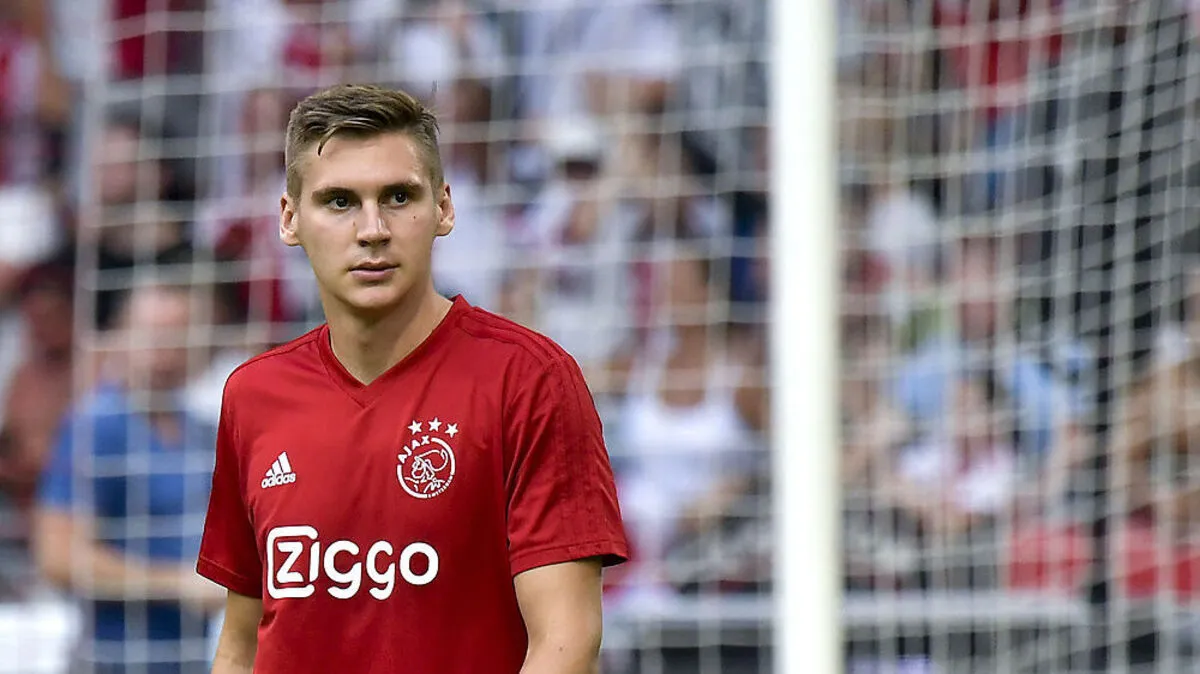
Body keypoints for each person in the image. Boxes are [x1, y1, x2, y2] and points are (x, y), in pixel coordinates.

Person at [197, 84, 629, 674]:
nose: (372, 229)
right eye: (339, 201)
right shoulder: (253, 395)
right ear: (290, 219)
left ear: (444, 208)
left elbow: (566, 642)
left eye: (398, 197)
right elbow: (240, 646)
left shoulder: (530, 381)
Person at [33, 282, 225, 674]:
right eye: (153, 334)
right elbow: (58, 556)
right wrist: (179, 584)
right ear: (120, 336)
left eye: (179, 335)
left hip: (193, 656)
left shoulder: (201, 431)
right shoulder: (98, 424)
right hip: (118, 658)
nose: (165, 350)